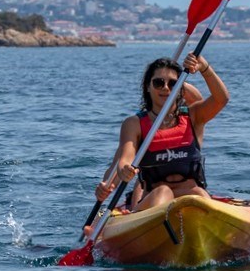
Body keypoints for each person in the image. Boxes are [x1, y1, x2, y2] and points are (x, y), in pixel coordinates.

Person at [93, 52, 229, 225]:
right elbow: (125, 158)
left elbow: (221, 99)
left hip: (190, 192)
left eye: (173, 83)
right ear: (148, 87)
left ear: (180, 88)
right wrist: (124, 170)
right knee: (163, 192)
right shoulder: (134, 123)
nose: (166, 88)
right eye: (158, 83)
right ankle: (154, 231)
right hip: (154, 197)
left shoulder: (194, 117)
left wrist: (204, 68)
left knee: (199, 195)